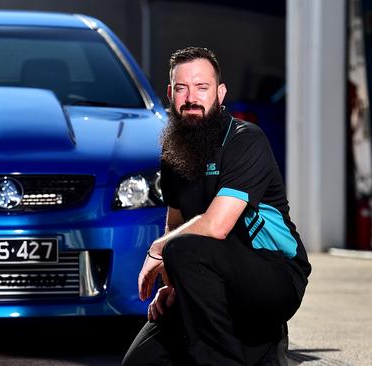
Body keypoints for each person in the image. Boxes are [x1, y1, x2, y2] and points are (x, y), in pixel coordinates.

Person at [122, 47, 311, 366]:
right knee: (140, 362)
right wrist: (177, 286)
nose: (191, 97)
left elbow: (215, 226)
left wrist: (158, 249)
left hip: (273, 276)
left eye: (202, 87)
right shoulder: (174, 152)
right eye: (181, 88)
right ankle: (260, 350)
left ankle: (237, 352)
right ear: (170, 94)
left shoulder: (245, 140)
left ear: (220, 94)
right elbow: (175, 224)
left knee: (180, 249)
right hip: (214, 278)